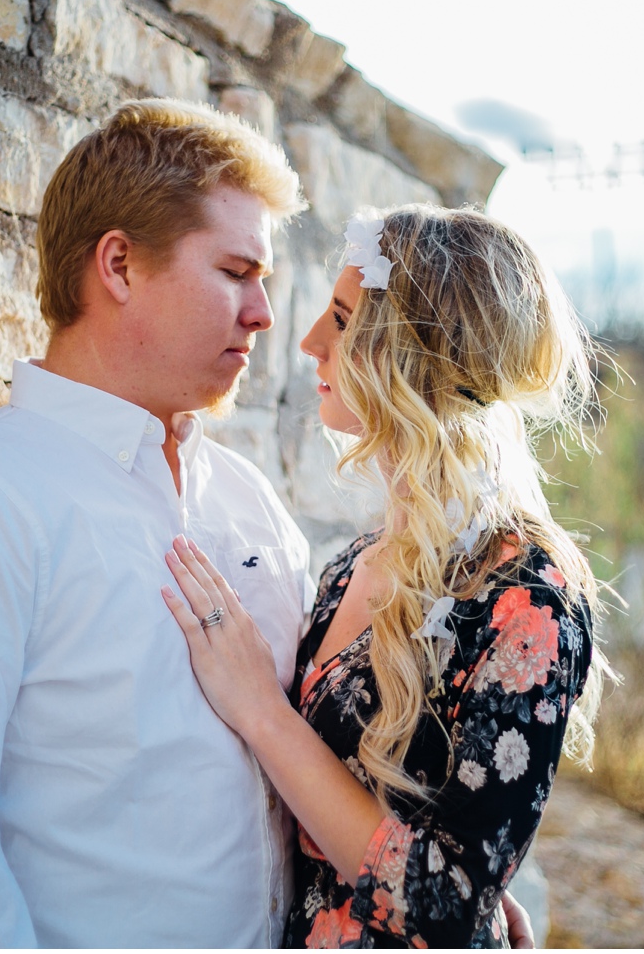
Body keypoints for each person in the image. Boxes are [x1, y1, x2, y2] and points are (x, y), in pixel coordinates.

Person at [0, 99, 316, 947]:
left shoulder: (252, 503)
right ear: (120, 264)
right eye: (237, 271)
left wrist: (435, 877)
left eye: (264, 280)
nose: (263, 314)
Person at [159, 205, 610, 948]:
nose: (308, 342)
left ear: (414, 355)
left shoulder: (528, 601)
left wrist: (262, 713)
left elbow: (448, 909)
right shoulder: (352, 565)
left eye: (341, 319)